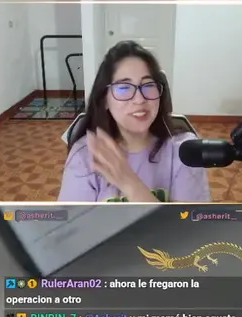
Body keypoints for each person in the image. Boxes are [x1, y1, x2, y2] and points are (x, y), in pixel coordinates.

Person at [58, 42, 211, 203]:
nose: (139, 99)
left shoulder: (184, 151)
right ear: (104, 100)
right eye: (124, 88)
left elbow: (186, 219)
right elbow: (73, 219)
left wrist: (130, 183)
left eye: (148, 85)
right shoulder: (86, 155)